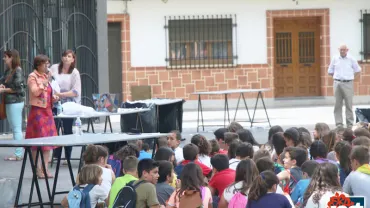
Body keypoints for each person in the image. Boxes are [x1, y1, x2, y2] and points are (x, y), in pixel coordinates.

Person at [25, 55, 59, 178]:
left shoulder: (46, 77)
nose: (47, 66)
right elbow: (35, 91)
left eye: (48, 64)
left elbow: (48, 92)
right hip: (38, 112)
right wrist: (44, 83)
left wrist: (53, 97)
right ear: (38, 64)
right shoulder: (32, 77)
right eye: (45, 64)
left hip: (48, 111)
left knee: (48, 142)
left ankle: (45, 168)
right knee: (37, 142)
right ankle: (37, 169)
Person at [50, 49, 81, 162]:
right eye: (64, 56)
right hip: (55, 102)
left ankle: (68, 156)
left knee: (67, 130)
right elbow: (48, 80)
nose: (66, 58)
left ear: (73, 59)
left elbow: (76, 91)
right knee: (55, 129)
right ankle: (56, 156)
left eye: (69, 56)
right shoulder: (54, 68)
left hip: (69, 104)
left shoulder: (75, 72)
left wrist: (61, 94)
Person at [328, 44, 361, 129]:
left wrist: (351, 77)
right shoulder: (335, 58)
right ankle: (339, 124)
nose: (342, 51)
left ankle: (349, 124)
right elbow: (330, 71)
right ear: (339, 50)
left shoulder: (351, 59)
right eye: (341, 50)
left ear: (347, 50)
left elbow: (358, 70)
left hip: (348, 83)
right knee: (337, 104)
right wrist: (336, 78)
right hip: (337, 83)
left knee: (349, 104)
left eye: (344, 50)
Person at [1, 49, 25, 161]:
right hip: (10, 101)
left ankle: (18, 153)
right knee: (14, 127)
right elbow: (2, 81)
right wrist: (2, 86)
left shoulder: (17, 70)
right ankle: (18, 152)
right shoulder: (8, 71)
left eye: (6, 57)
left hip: (15, 102)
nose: (4, 59)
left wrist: (4, 90)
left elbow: (18, 88)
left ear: (11, 57)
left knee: (16, 128)